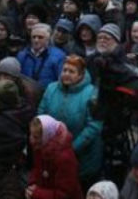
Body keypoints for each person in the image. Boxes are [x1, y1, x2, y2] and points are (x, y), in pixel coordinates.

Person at [37, 55, 103, 185]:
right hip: (52, 154)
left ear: (81, 75)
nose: (66, 74)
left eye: (72, 72)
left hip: (82, 158)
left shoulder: (92, 93)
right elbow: (41, 114)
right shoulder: (51, 88)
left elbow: (94, 126)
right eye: (64, 70)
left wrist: (71, 148)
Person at [26, 115, 83, 199]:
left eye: (36, 137)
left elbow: (64, 194)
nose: (31, 140)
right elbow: (37, 168)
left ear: (47, 136)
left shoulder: (65, 158)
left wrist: (37, 193)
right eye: (31, 134)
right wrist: (33, 183)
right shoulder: (41, 146)